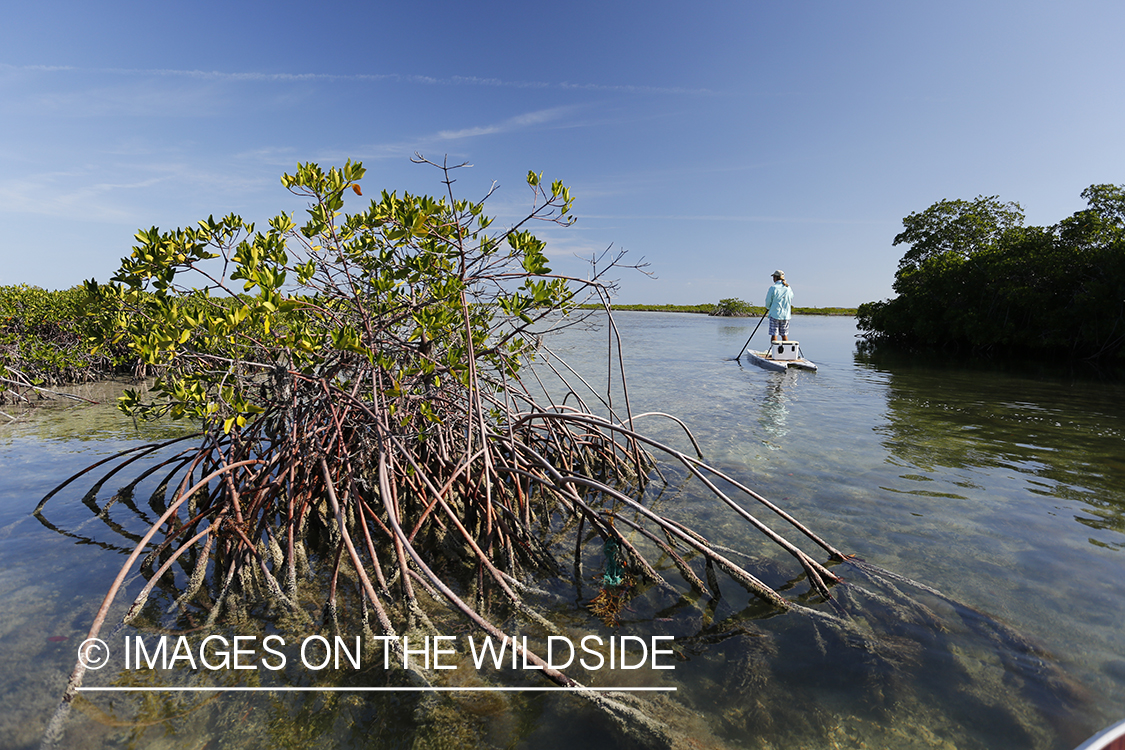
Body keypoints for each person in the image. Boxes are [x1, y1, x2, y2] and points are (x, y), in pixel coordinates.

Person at [764, 270, 793, 353]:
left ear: (775, 277)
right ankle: (787, 353)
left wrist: (768, 307)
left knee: (774, 334)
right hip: (786, 315)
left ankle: (774, 353)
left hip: (775, 314)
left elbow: (768, 301)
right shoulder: (788, 287)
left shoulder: (773, 288)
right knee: (784, 335)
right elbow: (791, 297)